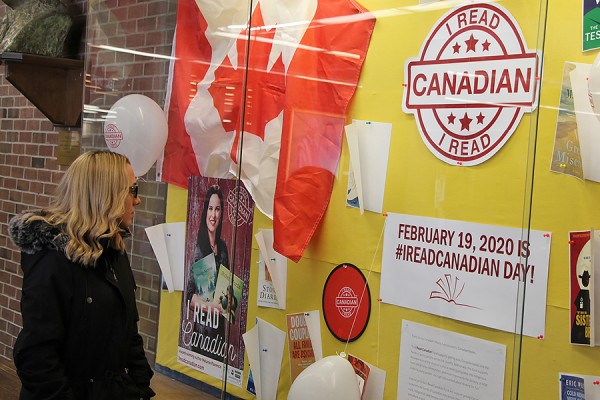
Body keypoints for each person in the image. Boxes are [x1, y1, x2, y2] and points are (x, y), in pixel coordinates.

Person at [8, 151, 155, 400]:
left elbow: (128, 332)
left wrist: (141, 387)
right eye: (133, 190)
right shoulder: (53, 258)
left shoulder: (113, 250)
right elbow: (37, 357)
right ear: (107, 196)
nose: (137, 200)